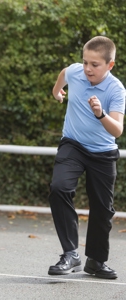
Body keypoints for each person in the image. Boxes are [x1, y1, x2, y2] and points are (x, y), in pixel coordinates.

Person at [48, 36, 125, 279]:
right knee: (59, 188)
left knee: (103, 208)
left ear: (109, 65)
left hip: (103, 152)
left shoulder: (116, 90)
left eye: (95, 64)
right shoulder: (75, 72)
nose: (88, 69)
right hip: (73, 144)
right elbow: (64, 72)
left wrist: (101, 113)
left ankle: (96, 262)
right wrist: (57, 91)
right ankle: (70, 253)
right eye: (85, 63)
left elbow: (117, 130)